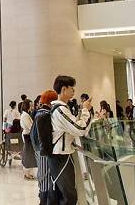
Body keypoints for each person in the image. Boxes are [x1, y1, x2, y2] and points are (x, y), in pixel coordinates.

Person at [49, 75, 93, 205]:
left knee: (65, 193)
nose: (74, 91)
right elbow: (79, 129)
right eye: (71, 88)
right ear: (64, 89)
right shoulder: (60, 110)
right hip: (60, 156)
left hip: (61, 154)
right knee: (69, 196)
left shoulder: (59, 108)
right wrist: (85, 110)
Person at [33, 89, 59, 204]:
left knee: (43, 175)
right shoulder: (44, 114)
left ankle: (43, 197)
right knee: (44, 175)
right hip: (43, 150)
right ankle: (43, 200)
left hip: (39, 149)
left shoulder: (40, 113)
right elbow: (43, 136)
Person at [20, 99, 37, 180]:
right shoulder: (25, 115)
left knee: (29, 154)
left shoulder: (26, 114)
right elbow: (31, 127)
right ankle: (27, 173)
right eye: (31, 105)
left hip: (27, 135)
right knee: (28, 154)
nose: (32, 107)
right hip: (27, 136)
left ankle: (28, 173)